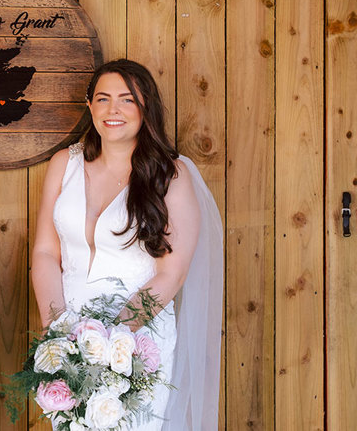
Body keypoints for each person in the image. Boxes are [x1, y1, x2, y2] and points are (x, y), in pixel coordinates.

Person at [31, 59, 223, 430]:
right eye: (102, 99)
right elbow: (44, 253)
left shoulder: (171, 175)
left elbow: (173, 271)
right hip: (67, 336)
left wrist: (109, 340)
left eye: (126, 100)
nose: (112, 110)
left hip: (135, 340)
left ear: (145, 107)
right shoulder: (63, 164)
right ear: (90, 106)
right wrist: (57, 333)